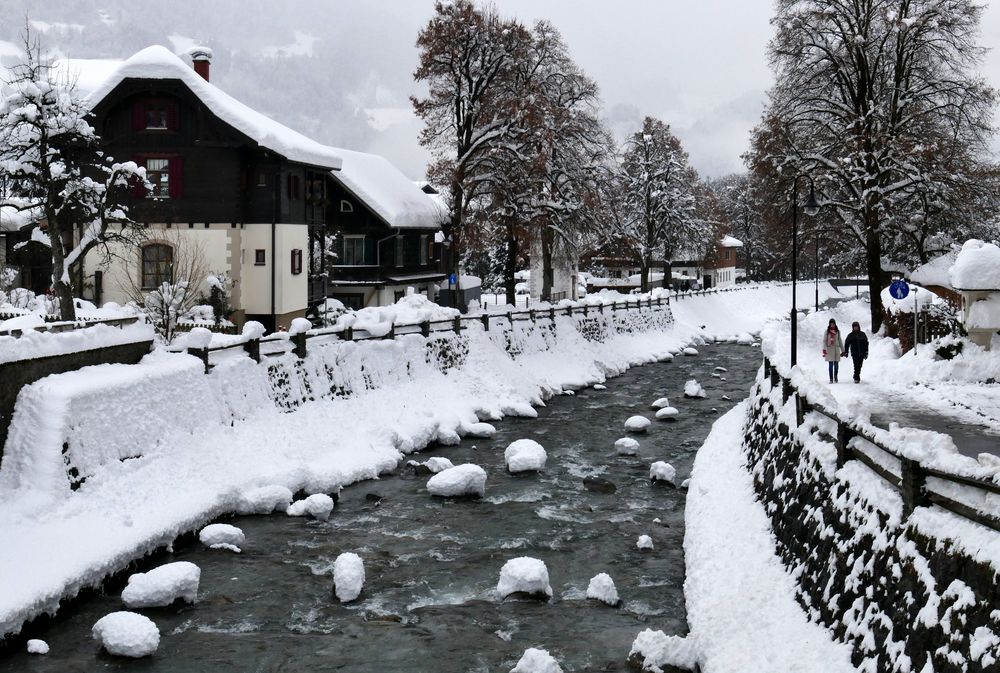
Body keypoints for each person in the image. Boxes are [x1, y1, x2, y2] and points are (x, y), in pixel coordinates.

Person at [822, 319, 843, 383]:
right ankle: (831, 378)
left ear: (835, 324)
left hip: (836, 349)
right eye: (831, 324)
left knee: (836, 364)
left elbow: (840, 341)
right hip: (829, 349)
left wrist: (843, 350)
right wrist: (824, 349)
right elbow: (824, 341)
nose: (832, 325)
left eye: (833, 323)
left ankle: (835, 376)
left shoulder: (838, 331)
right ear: (829, 324)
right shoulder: (827, 331)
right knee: (830, 365)